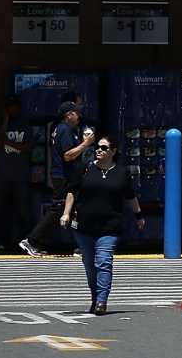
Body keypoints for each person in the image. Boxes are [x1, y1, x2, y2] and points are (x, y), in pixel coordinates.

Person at [59, 134, 143, 315]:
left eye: (104, 148)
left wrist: (139, 216)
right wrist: (66, 214)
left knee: (103, 262)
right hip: (84, 226)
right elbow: (72, 191)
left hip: (110, 226)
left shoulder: (122, 172)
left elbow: (130, 196)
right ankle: (95, 297)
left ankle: (102, 302)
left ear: (113, 151)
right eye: (98, 147)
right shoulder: (86, 167)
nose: (99, 150)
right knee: (90, 266)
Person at [20, 100, 94, 257]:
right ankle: (32, 240)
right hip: (64, 177)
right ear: (68, 115)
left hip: (66, 176)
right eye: (76, 113)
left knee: (76, 209)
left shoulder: (63, 129)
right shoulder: (65, 130)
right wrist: (85, 144)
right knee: (59, 208)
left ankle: (80, 246)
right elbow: (67, 155)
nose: (79, 115)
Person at [0, 94, 33, 252]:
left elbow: (28, 147)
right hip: (2, 176)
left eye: (16, 106)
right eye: (11, 106)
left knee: (24, 212)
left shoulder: (25, 125)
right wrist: (6, 121)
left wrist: (7, 141)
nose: (14, 108)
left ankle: (25, 243)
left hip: (21, 176)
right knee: (0, 211)